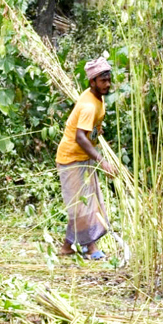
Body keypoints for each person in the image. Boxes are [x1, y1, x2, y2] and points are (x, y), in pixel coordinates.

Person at [55, 56, 118, 260]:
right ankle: (90, 247)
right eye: (103, 81)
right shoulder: (89, 105)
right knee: (82, 204)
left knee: (86, 201)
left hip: (83, 157)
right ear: (92, 82)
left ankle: (67, 246)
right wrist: (102, 161)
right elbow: (79, 137)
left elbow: (90, 130)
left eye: (108, 79)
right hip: (71, 158)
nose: (107, 84)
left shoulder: (97, 98)